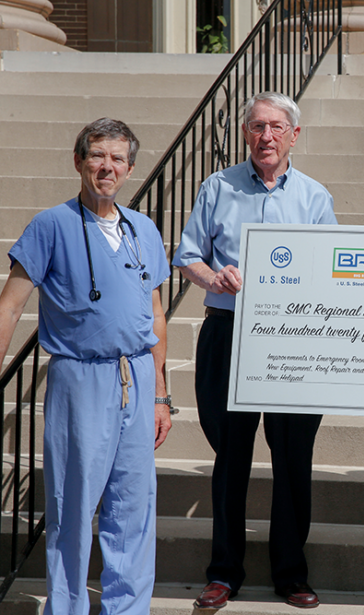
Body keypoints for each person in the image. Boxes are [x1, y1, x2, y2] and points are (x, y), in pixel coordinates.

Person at [0, 118, 171, 615]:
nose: (107, 167)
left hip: (137, 378)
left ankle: (127, 608)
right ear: (79, 161)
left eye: (118, 158)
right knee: (73, 504)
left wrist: (160, 393)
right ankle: (68, 606)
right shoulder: (50, 225)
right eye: (97, 156)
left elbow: (155, 314)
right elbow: (10, 306)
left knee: (133, 506)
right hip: (81, 378)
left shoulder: (143, 229)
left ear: (131, 168)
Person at [173, 91, 337, 609]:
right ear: (246, 133)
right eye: (257, 126)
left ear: (294, 135)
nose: (266, 136)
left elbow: (331, 268)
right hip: (229, 331)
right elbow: (187, 254)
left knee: (293, 457)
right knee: (231, 456)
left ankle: (291, 574)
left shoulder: (314, 196)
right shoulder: (217, 186)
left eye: (276, 127)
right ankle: (224, 572)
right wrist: (214, 277)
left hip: (293, 339)